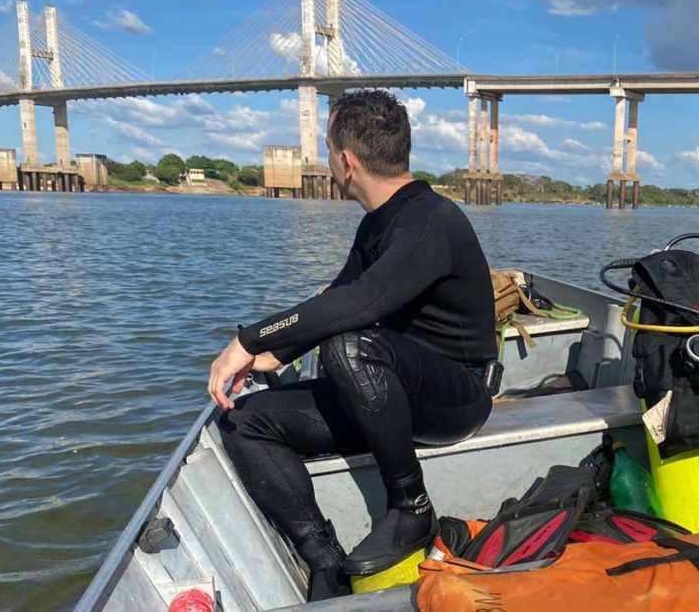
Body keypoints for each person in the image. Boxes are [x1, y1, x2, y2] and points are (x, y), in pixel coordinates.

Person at [206, 90, 497, 600]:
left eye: (327, 150)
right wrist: (271, 356)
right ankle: (325, 559)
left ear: (345, 160)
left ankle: (411, 507)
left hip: (456, 395)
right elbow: (341, 296)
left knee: (351, 345)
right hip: (384, 392)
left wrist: (249, 338)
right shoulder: (375, 224)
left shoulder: (432, 220)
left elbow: (361, 304)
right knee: (242, 421)